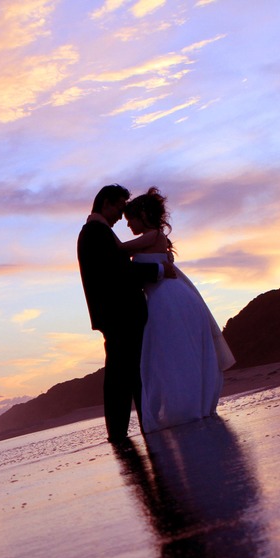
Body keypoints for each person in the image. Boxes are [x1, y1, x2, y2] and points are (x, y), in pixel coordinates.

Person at [119, 187, 236, 433]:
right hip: (163, 299)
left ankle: (187, 407)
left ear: (143, 215)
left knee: (171, 355)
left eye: (130, 218)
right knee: (167, 356)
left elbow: (119, 250)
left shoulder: (152, 236)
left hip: (169, 300)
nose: (127, 223)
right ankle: (183, 406)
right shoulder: (152, 238)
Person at [77, 184, 172, 442]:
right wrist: (160, 271)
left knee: (130, 374)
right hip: (119, 315)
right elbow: (118, 274)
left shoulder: (96, 233)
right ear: (106, 202)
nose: (121, 215)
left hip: (117, 315)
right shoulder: (96, 233)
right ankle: (120, 434)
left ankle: (139, 426)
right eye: (119, 207)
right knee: (122, 375)